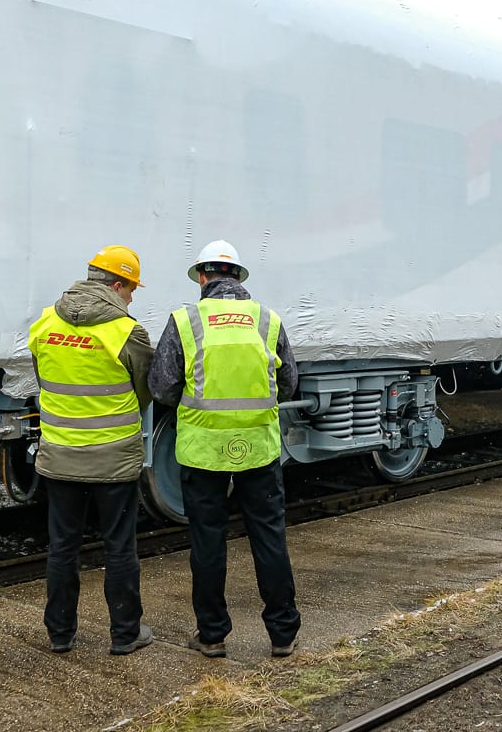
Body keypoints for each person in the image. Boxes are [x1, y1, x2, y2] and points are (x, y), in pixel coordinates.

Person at [149, 238, 302, 658]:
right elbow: (289, 382)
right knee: (269, 536)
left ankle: (212, 634)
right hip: (259, 446)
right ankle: (282, 634)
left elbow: (161, 388)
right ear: (237, 276)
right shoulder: (266, 320)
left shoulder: (186, 320)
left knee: (208, 541)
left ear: (202, 277)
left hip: (203, 451)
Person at [28, 245, 155, 656]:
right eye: (131, 290)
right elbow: (145, 390)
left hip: (60, 455)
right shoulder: (126, 332)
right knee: (120, 546)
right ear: (117, 285)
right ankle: (124, 634)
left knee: (62, 546)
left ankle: (60, 634)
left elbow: (43, 380)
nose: (131, 298)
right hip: (113, 460)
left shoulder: (44, 324)